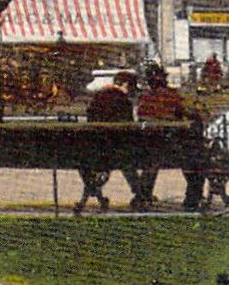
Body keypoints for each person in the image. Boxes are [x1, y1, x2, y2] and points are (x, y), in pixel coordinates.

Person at [135, 64, 207, 211]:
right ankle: (192, 199)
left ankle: (143, 195)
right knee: (195, 162)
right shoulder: (172, 96)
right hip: (173, 150)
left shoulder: (145, 98)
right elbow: (189, 113)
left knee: (151, 164)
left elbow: (141, 118)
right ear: (164, 80)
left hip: (149, 149)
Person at [80, 71, 141, 210]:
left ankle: (94, 190)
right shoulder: (123, 101)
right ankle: (139, 193)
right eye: (131, 88)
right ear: (126, 84)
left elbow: (90, 119)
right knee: (128, 162)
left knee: (105, 164)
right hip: (118, 150)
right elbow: (128, 126)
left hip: (96, 149)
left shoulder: (98, 97)